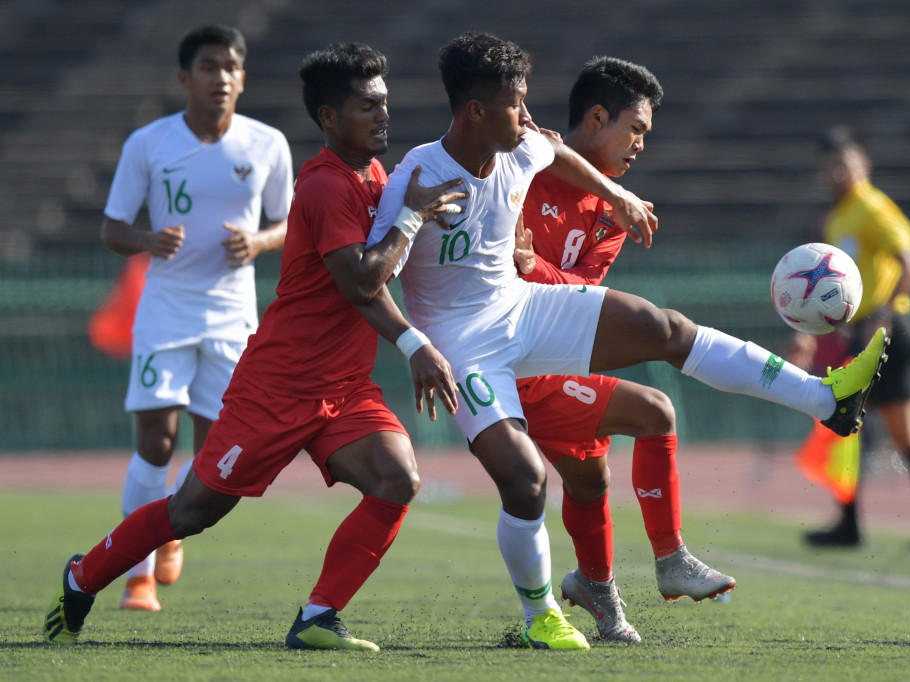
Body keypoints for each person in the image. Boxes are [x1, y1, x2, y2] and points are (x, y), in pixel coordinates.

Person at [365, 31, 889, 650]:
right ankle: (544, 614)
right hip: (465, 349)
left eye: (527, 99)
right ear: (477, 110)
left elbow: (554, 154)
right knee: (528, 480)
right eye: (516, 103)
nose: (528, 115)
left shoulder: (528, 150)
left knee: (662, 331)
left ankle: (827, 401)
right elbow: (368, 279)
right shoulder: (418, 174)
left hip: (524, 313)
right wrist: (414, 332)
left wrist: (613, 195)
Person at [44, 42, 466, 650]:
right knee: (192, 512)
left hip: (343, 388)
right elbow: (361, 283)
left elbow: (375, 275)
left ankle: (318, 616)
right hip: (278, 387)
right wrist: (411, 234)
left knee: (397, 477)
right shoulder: (324, 186)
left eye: (383, 103)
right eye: (366, 106)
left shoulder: (374, 176)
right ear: (329, 118)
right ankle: (82, 577)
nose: (382, 115)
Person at [511, 56, 733, 644]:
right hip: (509, 361)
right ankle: (671, 558)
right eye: (635, 128)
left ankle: (595, 588)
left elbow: (580, 292)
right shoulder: (528, 168)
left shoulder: (615, 212)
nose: (640, 145)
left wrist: (535, 266)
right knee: (655, 410)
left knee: (589, 481)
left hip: (553, 357)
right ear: (597, 116)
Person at [98, 25, 294, 611]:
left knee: (214, 451)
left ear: (243, 78)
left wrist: (258, 242)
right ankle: (136, 575)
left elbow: (290, 224)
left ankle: (171, 530)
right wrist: (147, 240)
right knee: (156, 441)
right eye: (209, 67)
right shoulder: (149, 144)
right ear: (186, 78)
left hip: (232, 316)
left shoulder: (267, 144)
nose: (220, 78)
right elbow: (111, 228)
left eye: (230, 67)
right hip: (165, 310)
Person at [789, 126, 910, 549]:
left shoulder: (873, 207)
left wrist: (884, 314)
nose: (837, 172)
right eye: (831, 165)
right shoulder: (839, 217)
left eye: (845, 164)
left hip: (887, 333)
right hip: (869, 336)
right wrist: (809, 332)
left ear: (864, 166)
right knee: (874, 432)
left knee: (857, 428)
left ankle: (861, 528)